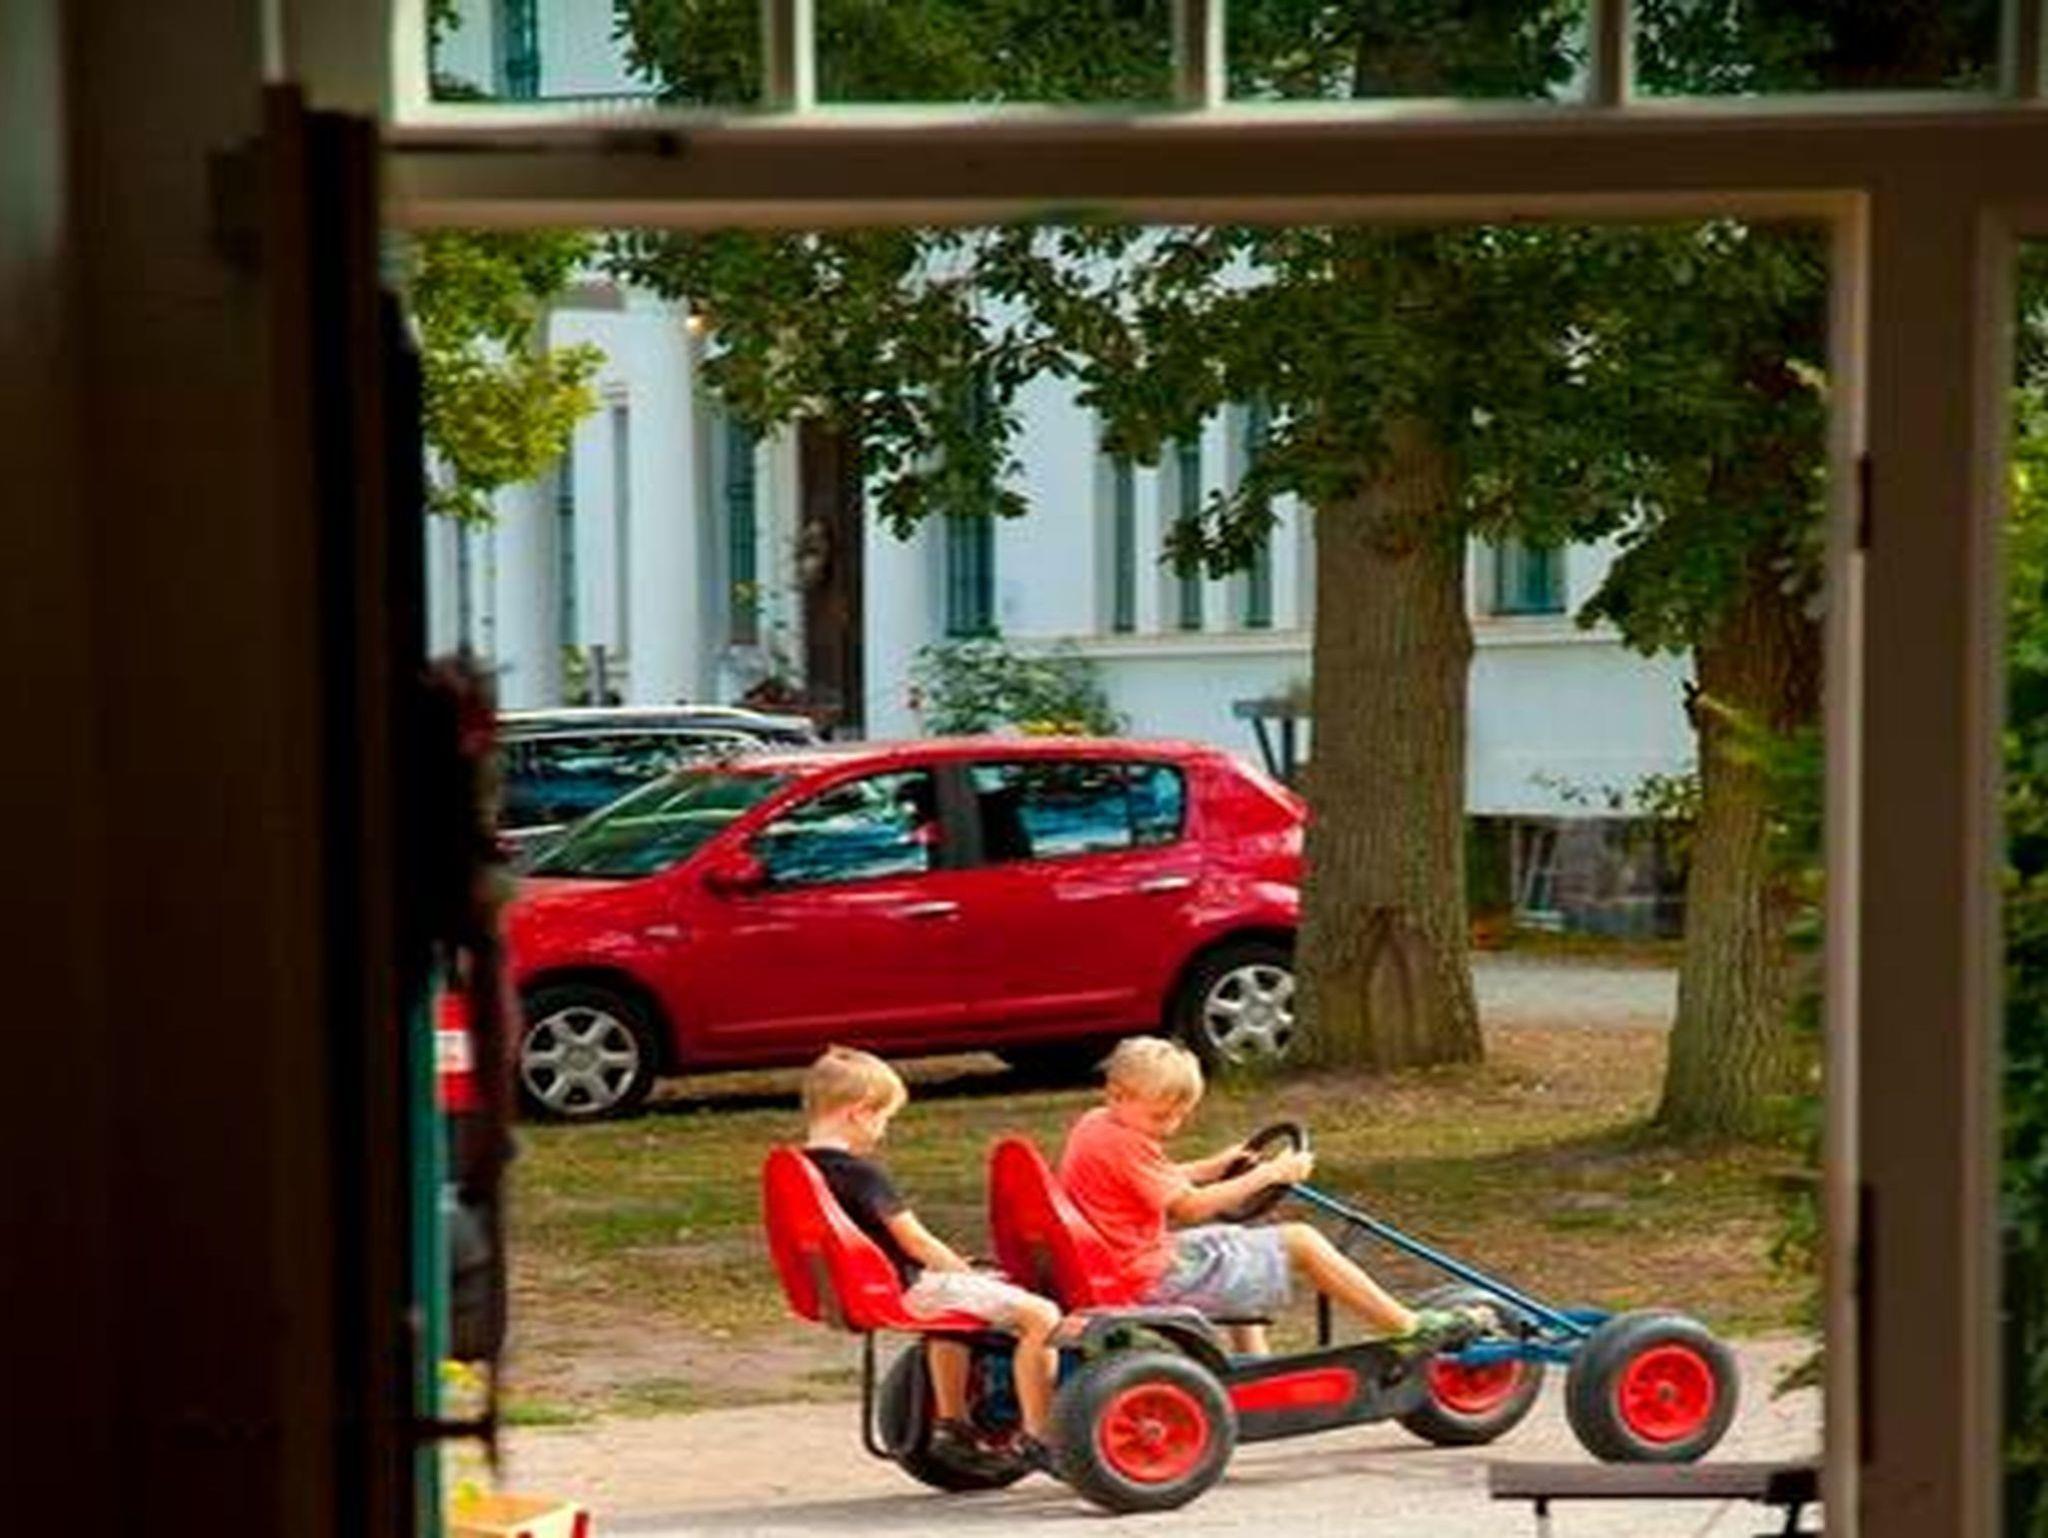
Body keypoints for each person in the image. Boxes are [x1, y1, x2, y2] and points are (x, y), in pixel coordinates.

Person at [1058, 1036, 1491, 1355]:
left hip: (1119, 1264)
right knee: (1300, 1240)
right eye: (1160, 1116)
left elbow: (1151, 1181)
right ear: (1117, 1094)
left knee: (1233, 1239)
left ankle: (1254, 1367)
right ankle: (1407, 1328)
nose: (1170, 1127)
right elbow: (1190, 1206)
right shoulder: (1126, 1143)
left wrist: (1213, 1167)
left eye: (1180, 1116)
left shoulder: (1097, 1125)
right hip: (1146, 1277)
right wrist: (1270, 1174)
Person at [800, 1046, 1065, 1473]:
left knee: (957, 1311)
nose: (883, 1131)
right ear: (859, 1113)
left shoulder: (801, 1171)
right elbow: (917, 1242)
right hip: (904, 1289)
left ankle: (954, 1427)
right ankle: (1039, 1437)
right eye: (884, 1119)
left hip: (858, 1288)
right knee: (1042, 1315)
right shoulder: (861, 1174)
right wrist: (965, 1273)